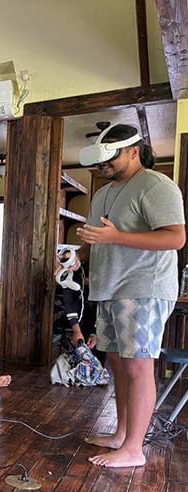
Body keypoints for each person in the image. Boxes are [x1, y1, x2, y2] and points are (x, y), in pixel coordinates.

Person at [75, 123, 185, 468]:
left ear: (134, 151)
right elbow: (100, 236)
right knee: (119, 363)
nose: (103, 164)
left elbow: (175, 238)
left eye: (111, 156)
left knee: (138, 365)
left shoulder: (155, 185)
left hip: (143, 287)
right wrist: (78, 255)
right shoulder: (103, 193)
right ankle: (122, 435)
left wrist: (117, 238)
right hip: (108, 288)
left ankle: (135, 449)